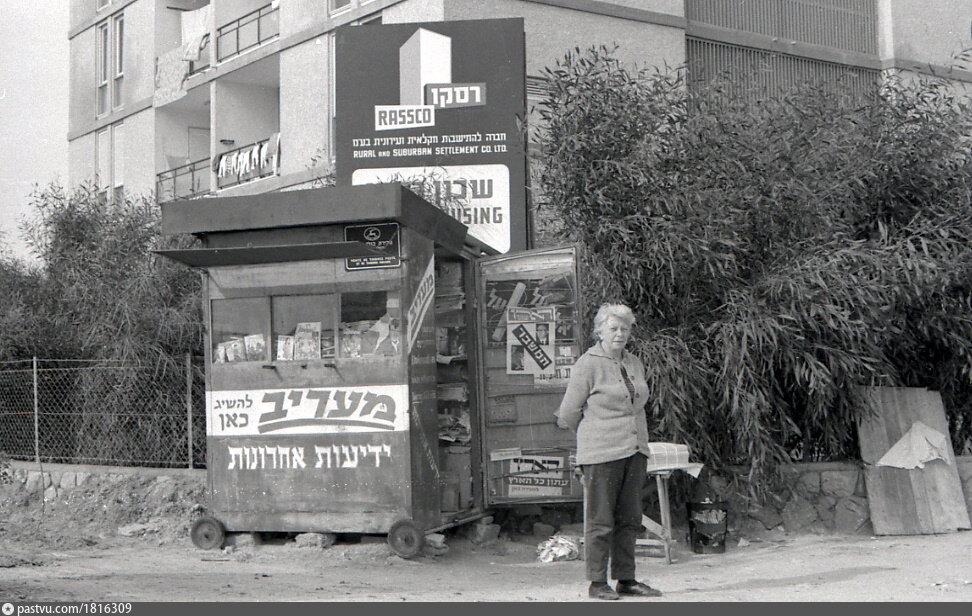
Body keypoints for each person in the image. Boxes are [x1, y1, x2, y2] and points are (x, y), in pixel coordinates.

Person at [555, 303, 661, 600]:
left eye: (624, 328)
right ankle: (597, 582)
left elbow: (638, 403)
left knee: (630, 518)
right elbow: (568, 413)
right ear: (599, 331)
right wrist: (594, 435)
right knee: (600, 520)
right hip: (601, 454)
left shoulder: (634, 362)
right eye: (613, 328)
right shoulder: (587, 364)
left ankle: (626, 579)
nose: (619, 334)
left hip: (634, 450)